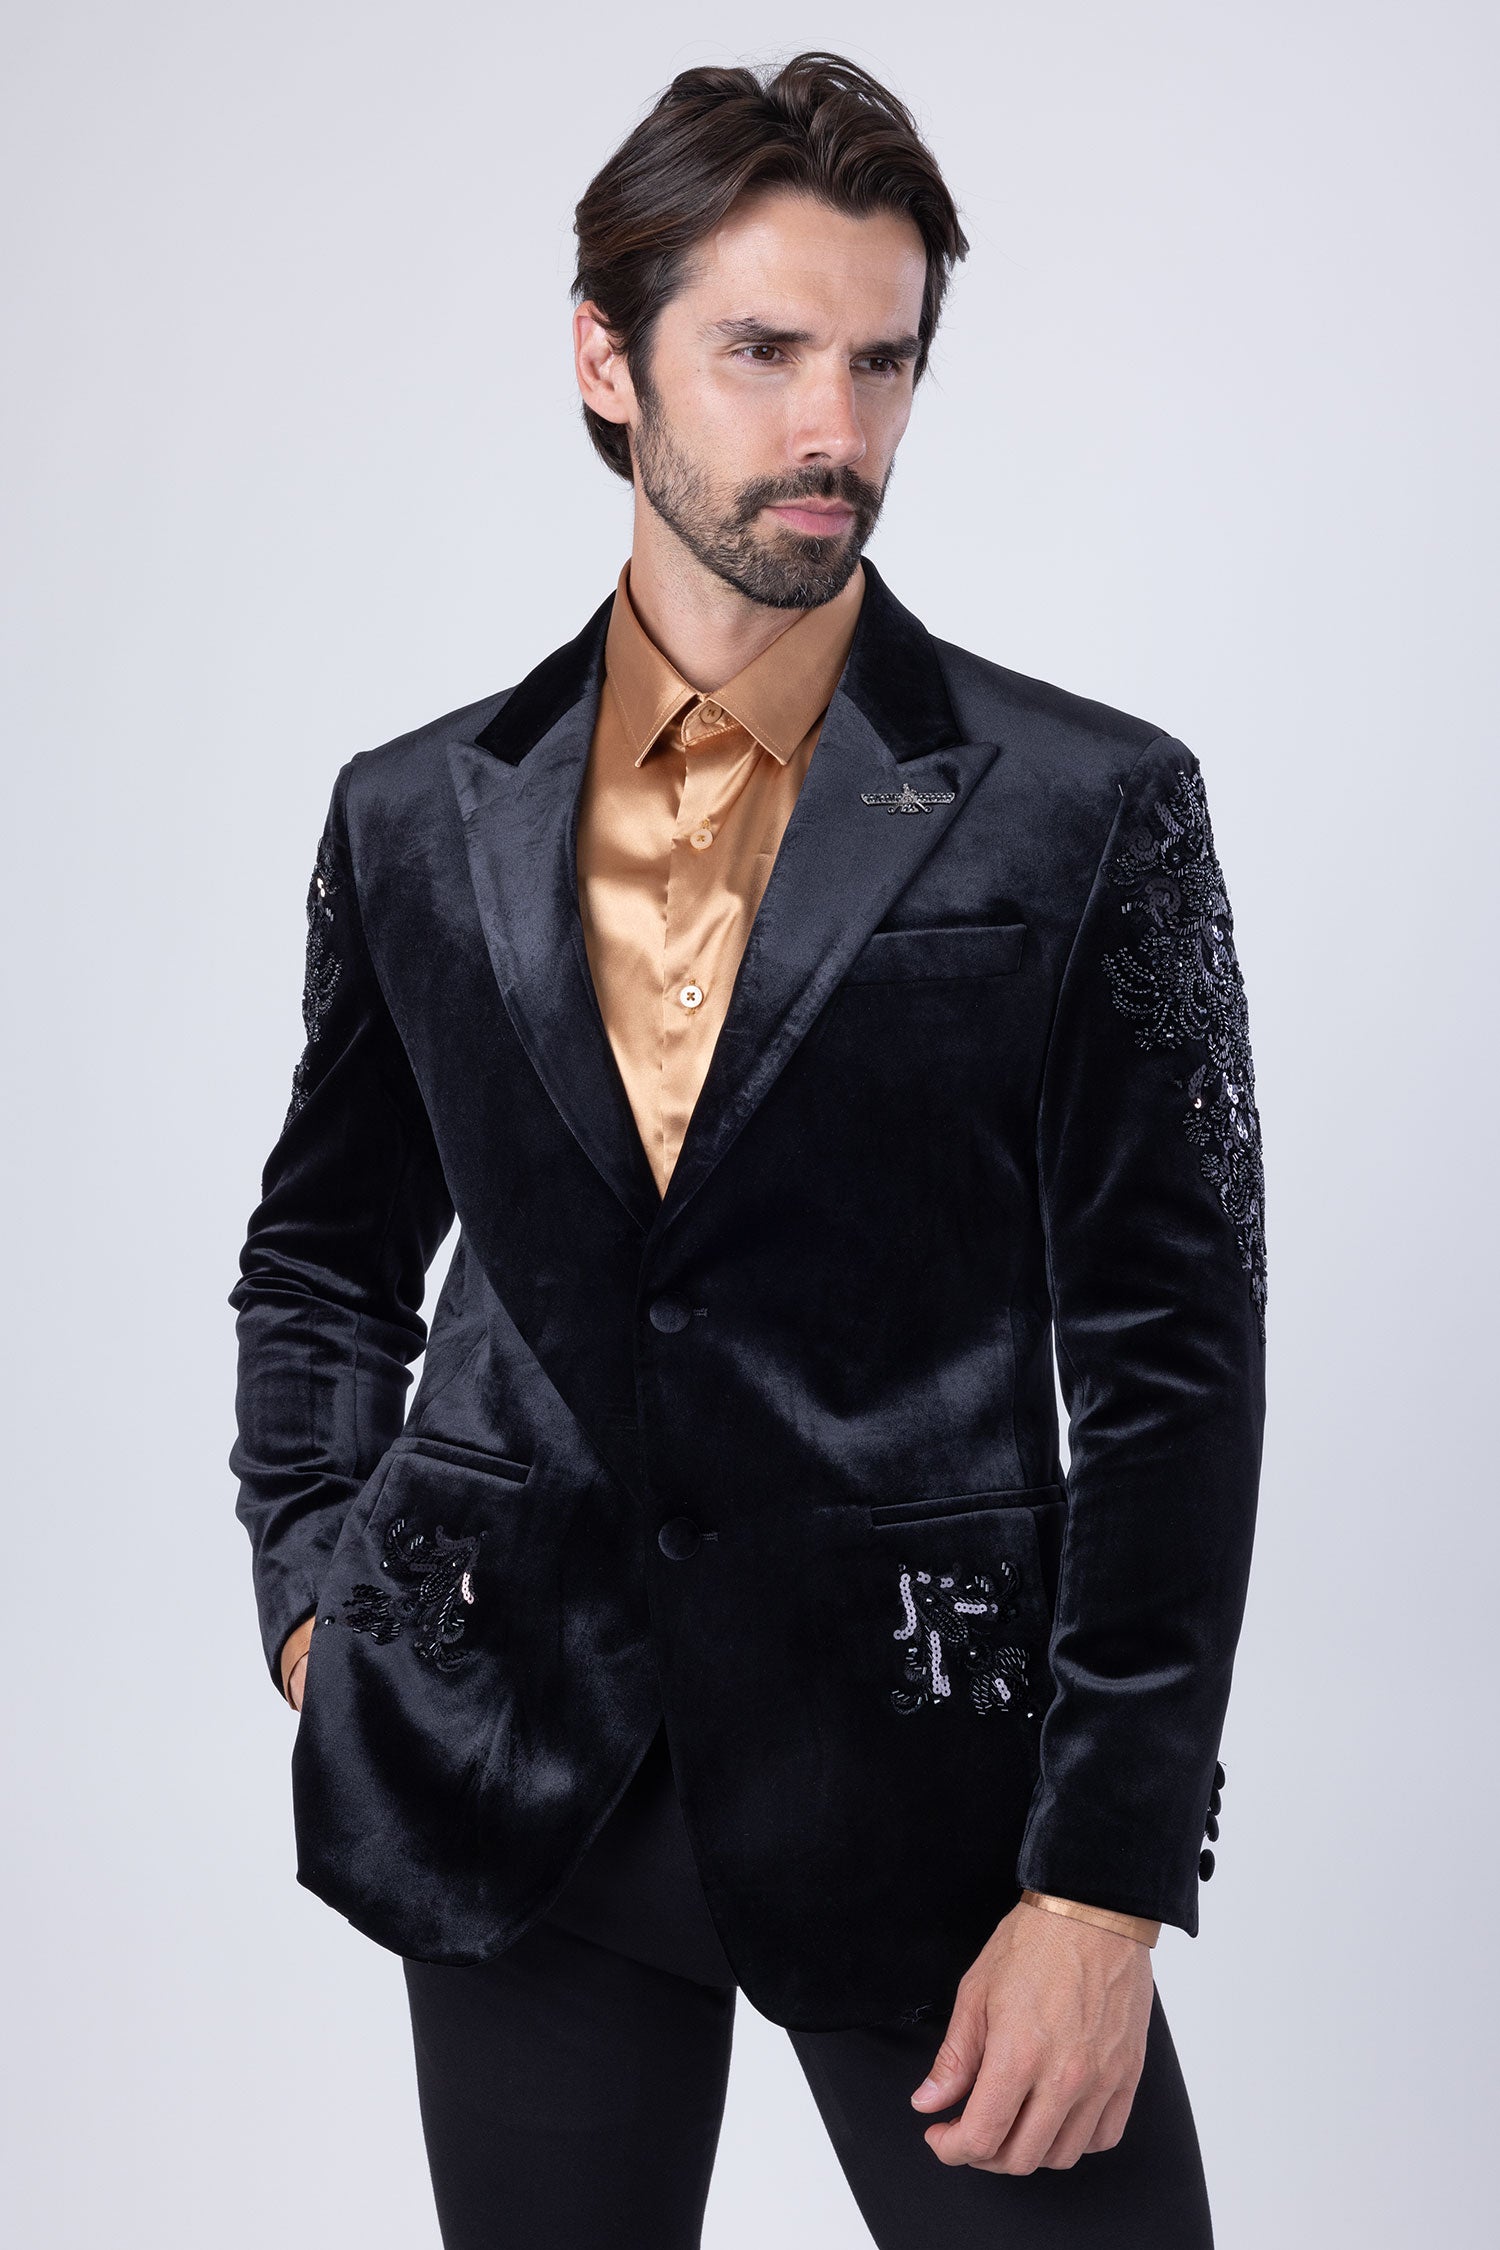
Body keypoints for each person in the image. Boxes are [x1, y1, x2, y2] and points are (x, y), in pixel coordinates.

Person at [229, 50, 1265, 2250]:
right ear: (607, 362)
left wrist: (1105, 1880)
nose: (837, 431)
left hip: (933, 1804)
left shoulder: (1090, 810)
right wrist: (322, 1603)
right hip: (511, 1771)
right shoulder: (414, 813)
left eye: (884, 363)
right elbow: (322, 1255)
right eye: (767, 351)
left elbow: (1175, 1368)